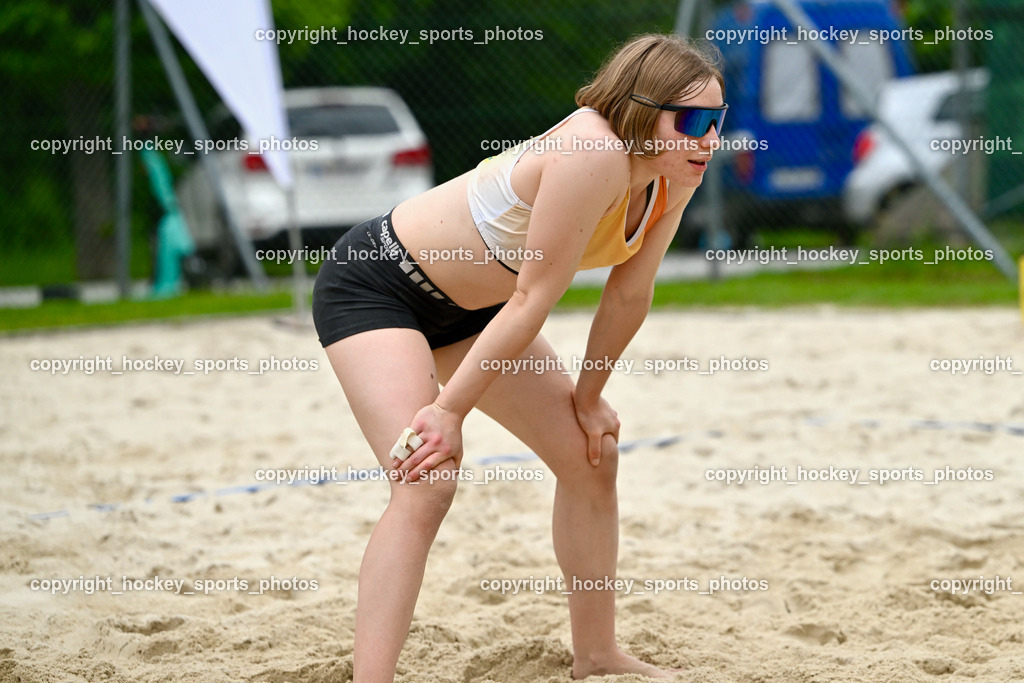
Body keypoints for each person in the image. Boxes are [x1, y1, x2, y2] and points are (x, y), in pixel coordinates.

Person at [312, 33, 726, 682]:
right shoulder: (593, 149)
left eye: (718, 122)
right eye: (695, 121)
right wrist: (448, 412)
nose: (709, 139)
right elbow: (535, 297)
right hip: (380, 286)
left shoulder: (671, 176)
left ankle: (595, 655)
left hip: (479, 312)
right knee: (427, 478)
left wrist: (589, 402)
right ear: (642, 109)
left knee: (594, 456)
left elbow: (627, 298)